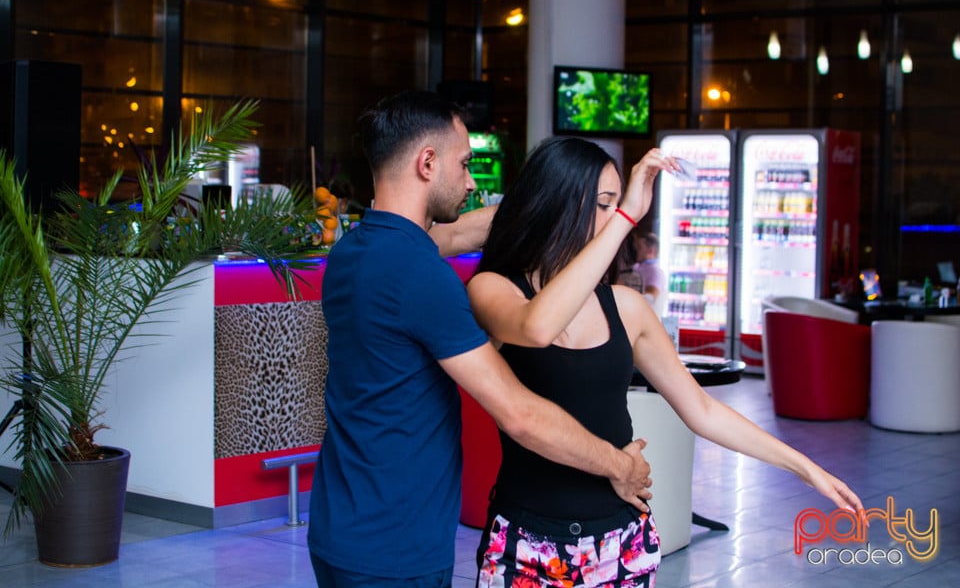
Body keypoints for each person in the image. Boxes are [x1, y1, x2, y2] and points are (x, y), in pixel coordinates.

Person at [466, 137, 864, 587]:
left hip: (620, 543)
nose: (617, 217)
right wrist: (627, 216)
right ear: (557, 203)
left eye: (619, 205)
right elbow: (537, 327)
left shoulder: (627, 307)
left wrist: (805, 468)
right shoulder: (494, 290)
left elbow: (703, 410)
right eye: (604, 204)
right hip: (525, 545)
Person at [307, 91, 654, 587]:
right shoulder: (421, 276)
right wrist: (620, 465)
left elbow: (453, 236)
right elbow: (520, 414)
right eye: (465, 164)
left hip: (340, 527)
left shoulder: (353, 250)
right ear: (427, 163)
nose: (471, 182)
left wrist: (557, 201)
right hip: (395, 546)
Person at [629, 230, 667, 317]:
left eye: (639, 247)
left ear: (650, 250)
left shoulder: (655, 272)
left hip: (640, 316)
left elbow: (650, 297)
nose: (635, 250)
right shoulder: (636, 267)